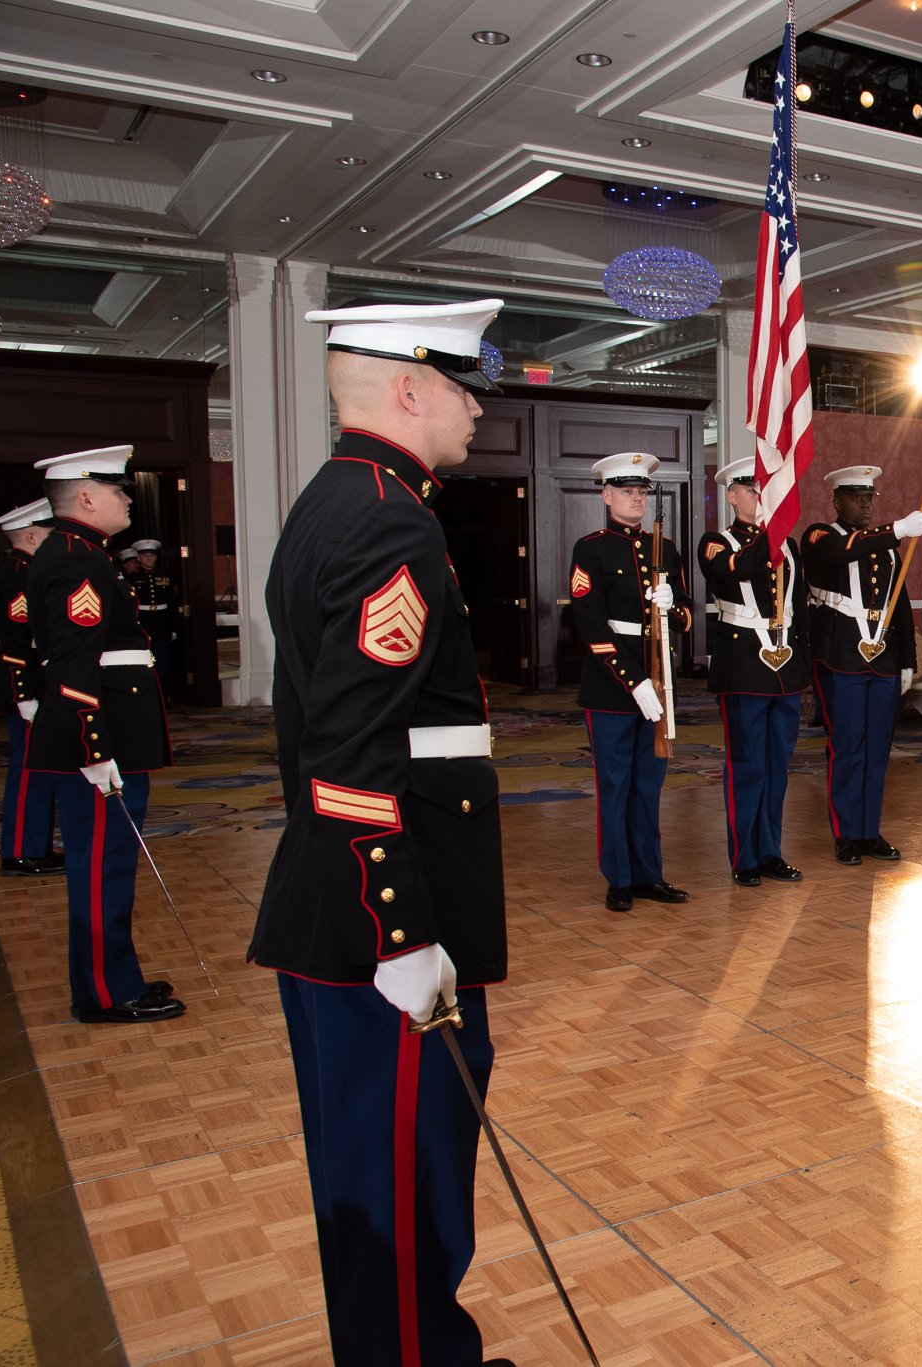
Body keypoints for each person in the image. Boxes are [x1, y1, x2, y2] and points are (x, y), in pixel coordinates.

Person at [250, 298, 516, 1367]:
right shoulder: (387, 519)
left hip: (345, 901)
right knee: (403, 1177)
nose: (474, 408)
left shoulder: (338, 499)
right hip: (379, 920)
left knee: (379, 1177)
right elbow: (352, 755)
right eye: (462, 385)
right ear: (409, 386)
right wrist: (400, 935)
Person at [27, 447, 181, 1025]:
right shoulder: (76, 561)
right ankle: (103, 992)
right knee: (101, 867)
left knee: (108, 863)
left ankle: (116, 977)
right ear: (87, 497)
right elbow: (73, 665)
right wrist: (95, 749)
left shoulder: (83, 554)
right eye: (118, 490)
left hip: (107, 734)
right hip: (98, 740)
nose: (126, 498)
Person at [570, 451, 692, 911]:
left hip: (660, 685)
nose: (636, 498)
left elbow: (685, 618)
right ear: (606, 496)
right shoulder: (592, 548)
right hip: (612, 689)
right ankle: (618, 878)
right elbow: (591, 626)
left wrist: (672, 606)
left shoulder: (666, 548)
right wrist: (634, 682)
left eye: (642, 492)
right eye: (627, 491)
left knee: (649, 785)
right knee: (616, 784)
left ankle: (648, 874)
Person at [804, 465, 922, 865]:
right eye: (857, 498)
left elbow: (900, 607)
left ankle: (868, 830)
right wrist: (897, 529)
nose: (866, 505)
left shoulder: (888, 548)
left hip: (883, 658)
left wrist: (908, 660)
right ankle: (845, 834)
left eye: (870, 498)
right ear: (836, 500)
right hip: (840, 656)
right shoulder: (820, 535)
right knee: (847, 747)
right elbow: (842, 552)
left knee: (877, 750)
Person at [701, 455, 808, 888]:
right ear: (732, 495)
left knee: (777, 766)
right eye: (752, 490)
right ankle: (744, 856)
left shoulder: (788, 544)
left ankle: (770, 852)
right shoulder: (717, 540)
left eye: (765, 489)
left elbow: (799, 607)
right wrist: (775, 530)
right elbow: (737, 570)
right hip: (743, 665)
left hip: (784, 664)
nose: (760, 497)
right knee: (747, 766)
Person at [0, 498, 62, 877]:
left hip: (37, 686)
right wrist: (25, 695)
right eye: (49, 534)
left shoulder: (26, 569)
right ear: (32, 535)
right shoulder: (18, 574)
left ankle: (37, 847)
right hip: (28, 690)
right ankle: (20, 851)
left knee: (41, 770)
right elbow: (17, 643)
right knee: (28, 771)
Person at [131, 538, 181, 696]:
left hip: (162, 624)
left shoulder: (165, 576)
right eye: (145, 555)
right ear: (138, 558)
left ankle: (163, 695)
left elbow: (172, 603)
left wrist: (173, 627)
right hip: (142, 623)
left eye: (151, 555)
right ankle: (146, 695)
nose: (149, 558)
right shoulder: (132, 578)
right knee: (143, 662)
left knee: (163, 662)